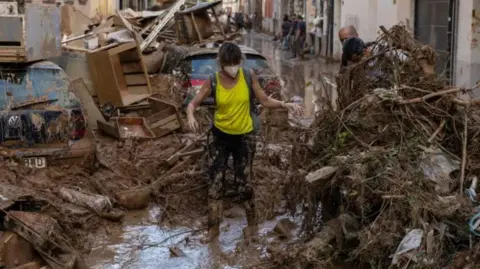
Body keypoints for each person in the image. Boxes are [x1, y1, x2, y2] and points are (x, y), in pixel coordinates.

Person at [186, 43, 303, 244]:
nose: (232, 67)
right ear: (220, 63)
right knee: (215, 184)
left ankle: (252, 227)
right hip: (219, 138)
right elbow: (193, 103)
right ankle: (213, 231)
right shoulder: (213, 81)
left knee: (245, 184)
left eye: (234, 63)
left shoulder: (248, 76)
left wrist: (286, 104)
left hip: (244, 138)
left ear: (239, 61)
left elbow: (265, 100)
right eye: (228, 63)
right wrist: (190, 116)